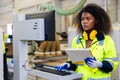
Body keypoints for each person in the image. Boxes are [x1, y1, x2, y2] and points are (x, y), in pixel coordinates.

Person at [55, 3, 118, 80]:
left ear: (96, 21)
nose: (84, 22)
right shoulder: (77, 40)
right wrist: (68, 65)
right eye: (82, 19)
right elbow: (74, 63)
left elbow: (112, 64)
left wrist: (100, 64)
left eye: (88, 19)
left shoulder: (106, 40)